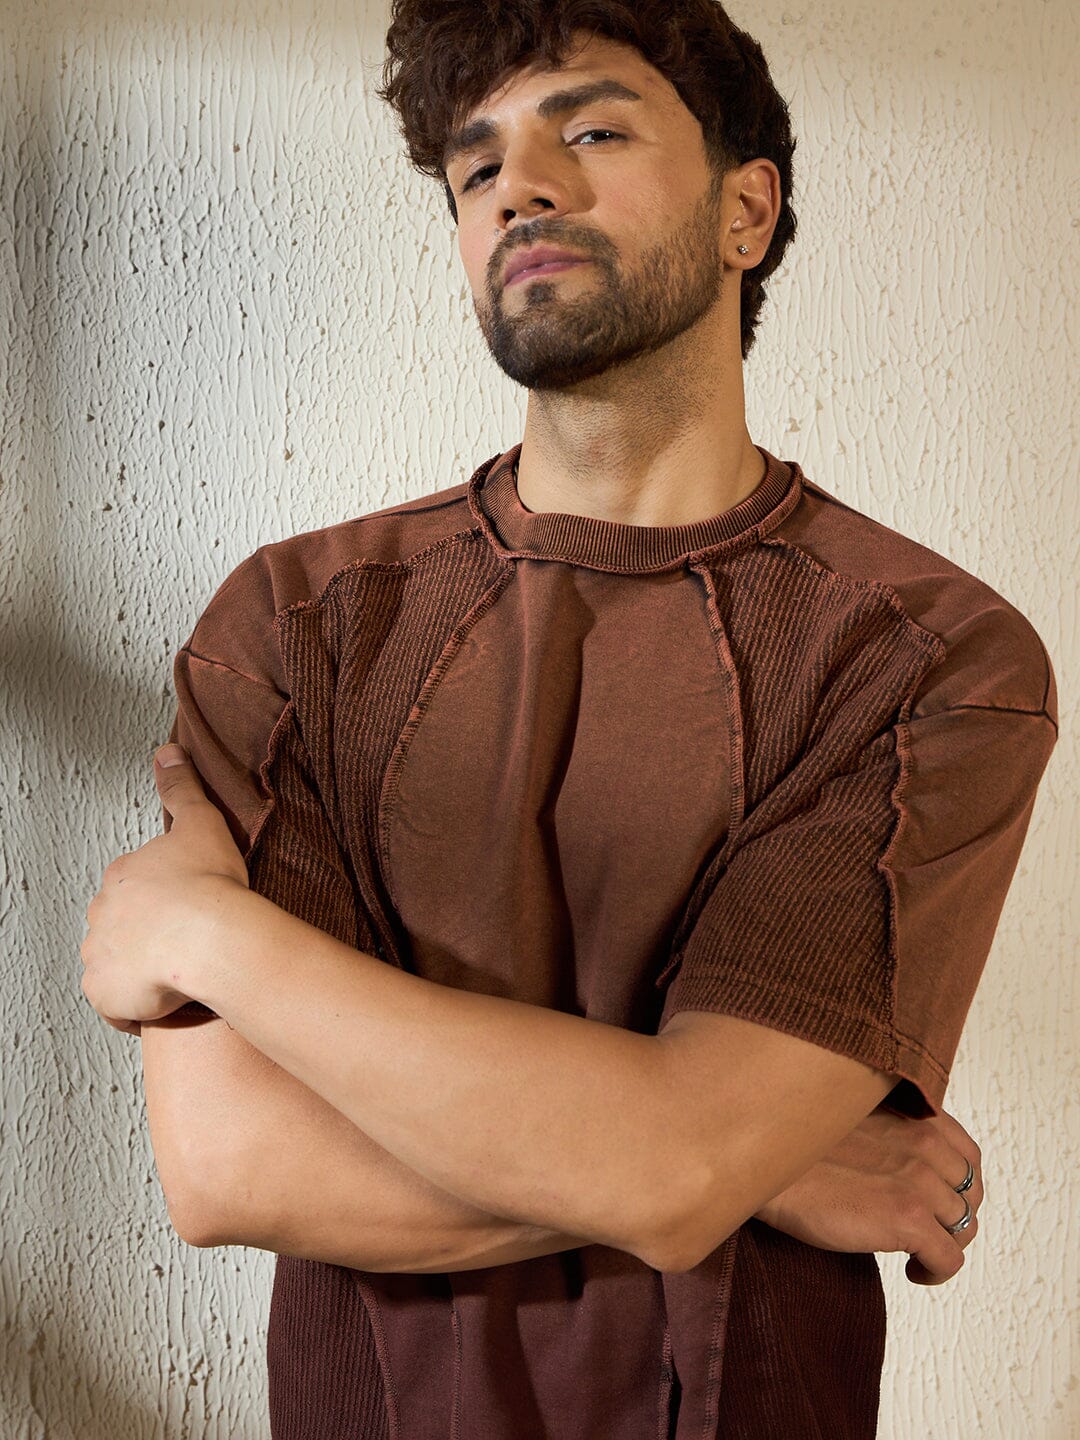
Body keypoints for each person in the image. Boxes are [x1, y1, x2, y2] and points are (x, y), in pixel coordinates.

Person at [81, 2, 1058, 1436]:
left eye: (590, 130)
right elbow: (229, 1164)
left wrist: (210, 935)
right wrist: (765, 1170)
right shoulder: (295, 625)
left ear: (747, 211)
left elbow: (672, 1167)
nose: (521, 185)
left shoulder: (927, 657)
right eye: (477, 171)